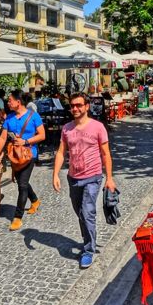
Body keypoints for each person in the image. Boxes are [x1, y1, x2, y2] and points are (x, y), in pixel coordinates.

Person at [53, 93, 116, 269]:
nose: (75, 108)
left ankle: (88, 249)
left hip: (93, 177)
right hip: (73, 178)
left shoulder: (98, 127)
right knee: (80, 213)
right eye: (72, 106)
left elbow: (106, 154)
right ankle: (88, 239)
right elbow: (61, 152)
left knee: (88, 212)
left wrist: (109, 178)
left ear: (86, 106)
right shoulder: (67, 128)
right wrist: (55, 174)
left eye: (79, 105)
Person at [0, 90, 45, 231]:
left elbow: (42, 135)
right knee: (22, 182)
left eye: (10, 100)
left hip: (29, 154)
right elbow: (3, 138)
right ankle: (35, 200)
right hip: (14, 155)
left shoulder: (34, 116)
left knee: (22, 185)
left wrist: (26, 141)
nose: (8, 102)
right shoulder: (9, 118)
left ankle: (17, 217)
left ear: (19, 102)